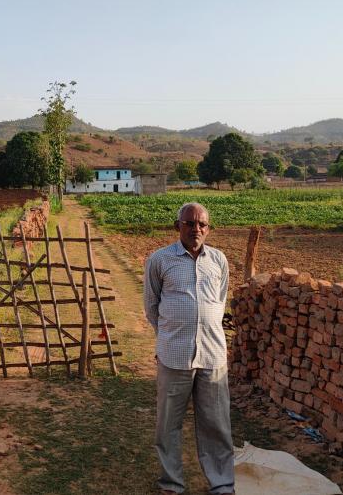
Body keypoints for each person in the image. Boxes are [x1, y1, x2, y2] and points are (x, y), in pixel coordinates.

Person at [143, 202, 234, 495]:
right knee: (168, 425)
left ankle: (221, 483)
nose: (196, 229)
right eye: (190, 223)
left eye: (202, 224)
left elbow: (219, 302)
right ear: (177, 226)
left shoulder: (219, 260)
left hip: (212, 355)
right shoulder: (160, 260)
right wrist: (169, 335)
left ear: (208, 228)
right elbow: (151, 306)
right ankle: (171, 483)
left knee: (216, 425)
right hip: (174, 356)